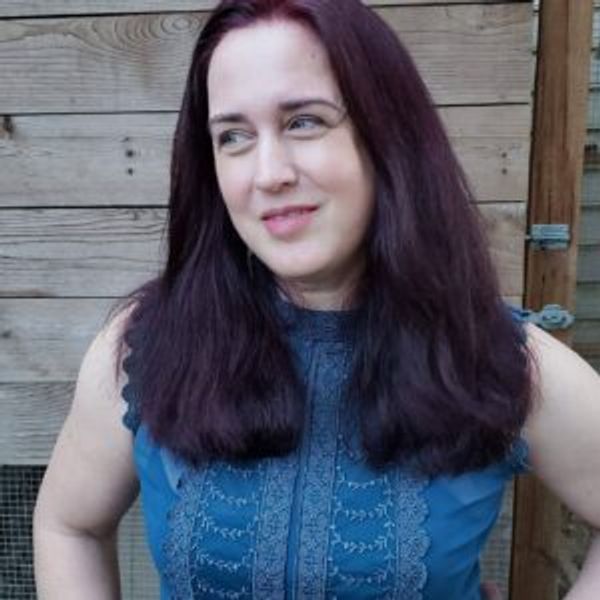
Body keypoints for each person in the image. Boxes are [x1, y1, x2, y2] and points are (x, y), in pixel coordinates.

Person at [33, 0, 600, 598]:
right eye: (233, 136)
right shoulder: (143, 346)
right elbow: (68, 526)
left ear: (389, 137)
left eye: (304, 121)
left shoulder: (498, 358)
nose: (268, 173)